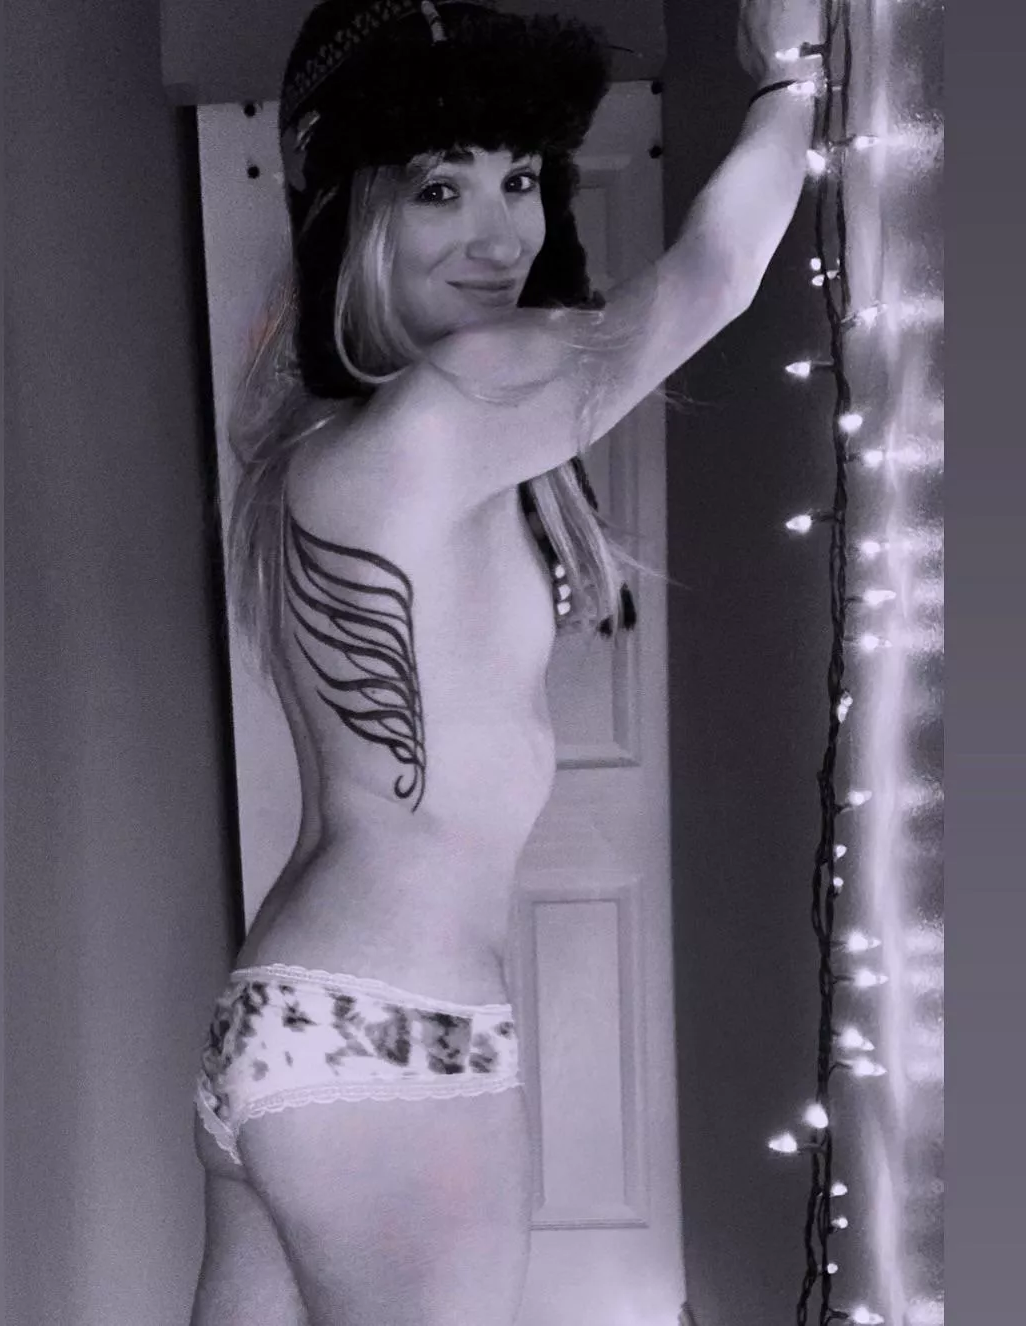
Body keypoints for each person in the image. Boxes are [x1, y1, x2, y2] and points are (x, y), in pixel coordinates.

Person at [189, 1, 821, 1322]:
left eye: (521, 178)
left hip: (279, 1019)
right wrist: (796, 76)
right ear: (358, 211)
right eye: (441, 188)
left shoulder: (317, 445)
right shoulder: (459, 398)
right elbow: (710, 281)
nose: (501, 235)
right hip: (394, 1039)